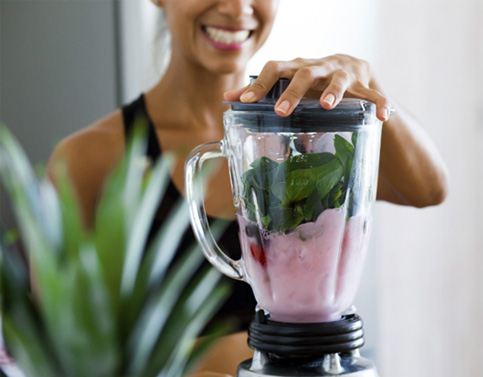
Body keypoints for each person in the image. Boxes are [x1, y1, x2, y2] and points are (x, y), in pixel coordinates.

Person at [47, 0, 448, 375]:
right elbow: (66, 354)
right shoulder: (89, 159)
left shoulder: (308, 134)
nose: (238, 8)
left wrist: (367, 81)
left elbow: (429, 188)